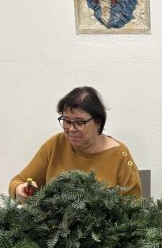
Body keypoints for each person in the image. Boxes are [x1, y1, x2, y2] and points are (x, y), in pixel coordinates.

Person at [9, 86, 141, 202]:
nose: (71, 129)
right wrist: (19, 190)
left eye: (79, 123)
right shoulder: (55, 144)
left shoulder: (120, 155)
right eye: (66, 121)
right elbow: (18, 181)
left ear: (98, 122)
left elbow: (134, 206)